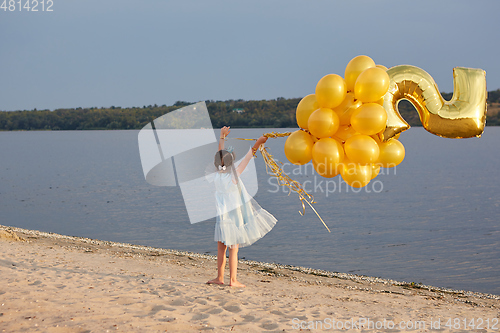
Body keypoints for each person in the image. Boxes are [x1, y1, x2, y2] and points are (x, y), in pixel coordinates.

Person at [207, 126, 277, 287]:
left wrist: (222, 136)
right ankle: (232, 280)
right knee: (233, 249)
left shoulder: (217, 177)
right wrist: (258, 142)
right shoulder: (234, 176)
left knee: (221, 248)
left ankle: (220, 277)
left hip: (222, 218)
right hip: (235, 218)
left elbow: (220, 153)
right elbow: (248, 156)